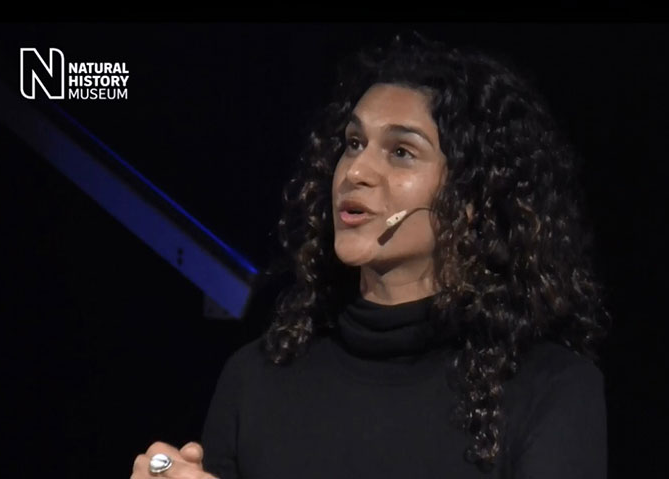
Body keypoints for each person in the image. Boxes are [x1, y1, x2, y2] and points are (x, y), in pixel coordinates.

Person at [131, 31, 612, 479]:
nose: (355, 170)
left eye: (401, 151)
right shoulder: (255, 379)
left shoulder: (551, 389)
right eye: (354, 143)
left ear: (473, 199)